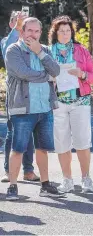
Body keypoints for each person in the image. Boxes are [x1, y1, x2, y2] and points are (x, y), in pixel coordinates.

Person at [4, 17, 63, 200]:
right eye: (30, 31)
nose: (33, 34)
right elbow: (23, 73)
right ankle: (13, 186)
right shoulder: (13, 50)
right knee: (18, 148)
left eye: (37, 31)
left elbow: (56, 71)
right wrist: (46, 77)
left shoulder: (44, 49)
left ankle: (45, 185)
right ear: (21, 32)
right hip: (22, 109)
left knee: (43, 148)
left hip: (44, 108)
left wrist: (40, 53)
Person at [48, 16, 93, 193]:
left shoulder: (81, 50)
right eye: (61, 31)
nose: (65, 34)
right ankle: (67, 180)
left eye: (68, 30)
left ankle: (86, 178)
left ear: (72, 32)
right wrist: (50, 79)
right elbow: (40, 76)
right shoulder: (48, 52)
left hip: (80, 101)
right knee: (61, 142)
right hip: (57, 103)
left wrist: (82, 74)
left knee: (83, 141)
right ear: (55, 33)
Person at [1, 11, 40, 183]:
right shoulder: (7, 42)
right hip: (16, 95)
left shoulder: (34, 43)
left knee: (29, 131)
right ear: (11, 25)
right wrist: (17, 29)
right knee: (13, 132)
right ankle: (9, 171)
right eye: (15, 22)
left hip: (33, 94)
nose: (18, 23)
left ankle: (28, 170)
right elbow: (9, 46)